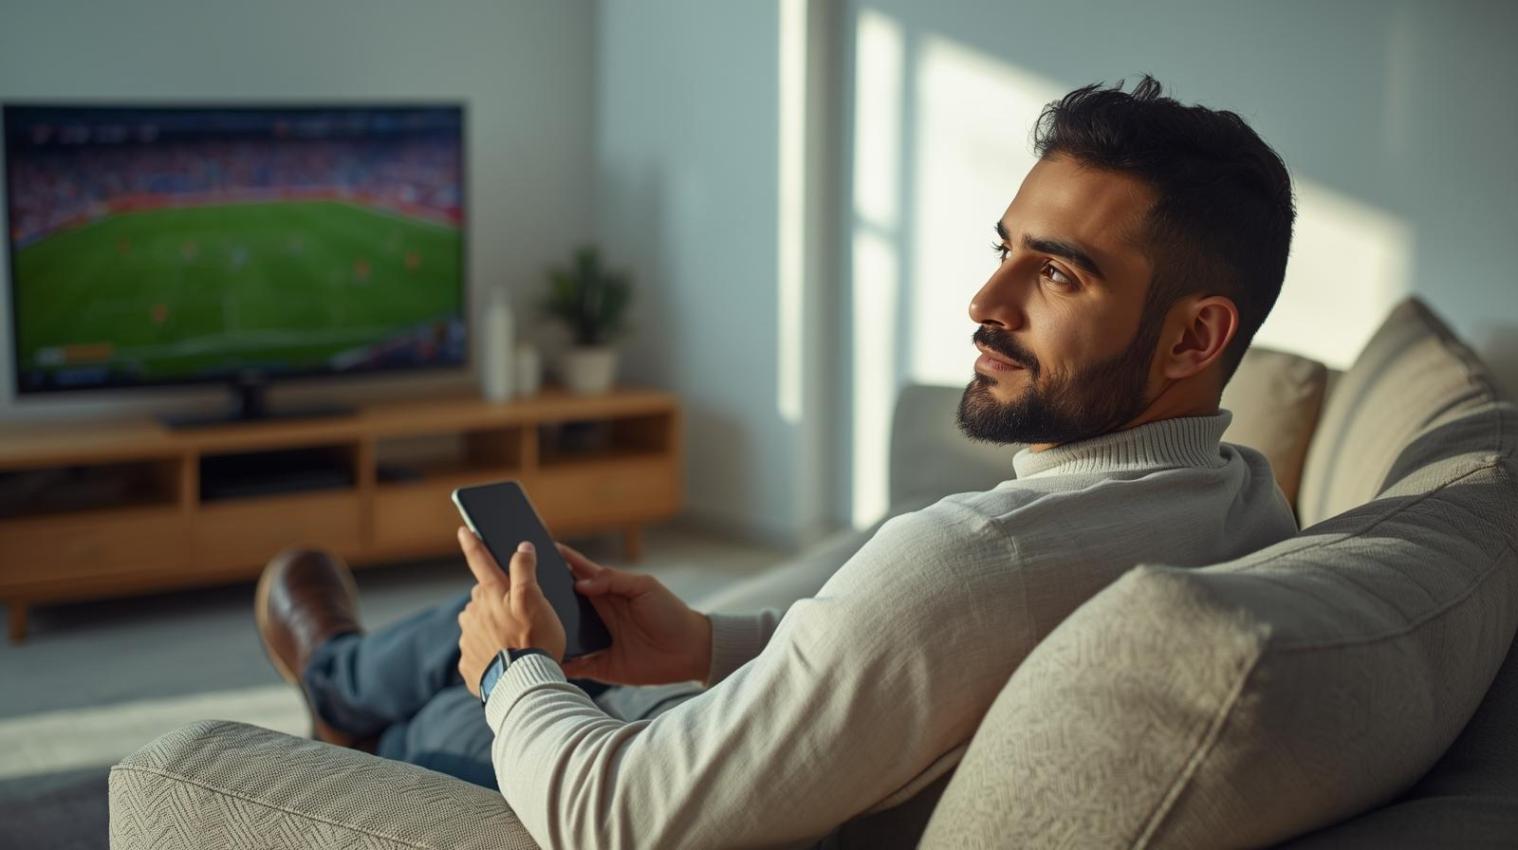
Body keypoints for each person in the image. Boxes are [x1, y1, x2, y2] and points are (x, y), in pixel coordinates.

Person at [255, 75, 1300, 849]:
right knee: (534, 609)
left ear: (1193, 338)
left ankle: (337, 686)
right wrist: (709, 640)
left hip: (653, 782)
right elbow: (928, 665)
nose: (987, 302)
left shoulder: (973, 559)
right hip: (748, 737)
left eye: (1058, 273)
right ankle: (343, 674)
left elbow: (617, 816)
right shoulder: (1246, 500)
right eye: (1005, 250)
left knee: (472, 671)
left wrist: (515, 669)